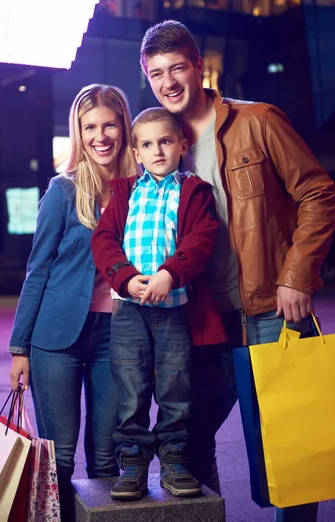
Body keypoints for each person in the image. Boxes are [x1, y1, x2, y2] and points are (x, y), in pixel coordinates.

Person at [140, 20, 335, 522]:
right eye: (157, 73)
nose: (169, 82)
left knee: (288, 445)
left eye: (177, 67)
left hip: (270, 309)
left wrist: (296, 274)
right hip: (204, 318)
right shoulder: (163, 143)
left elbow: (317, 191)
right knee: (188, 437)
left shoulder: (257, 120)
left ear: (199, 66)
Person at [8, 84, 137, 520]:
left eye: (109, 125)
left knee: (106, 457)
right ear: (78, 134)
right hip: (55, 338)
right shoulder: (62, 192)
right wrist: (19, 347)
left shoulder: (142, 191)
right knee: (60, 458)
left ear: (123, 126)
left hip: (116, 335)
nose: (100, 136)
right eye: (89, 128)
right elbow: (37, 270)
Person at [91, 107, 226, 500]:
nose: (157, 151)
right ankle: (132, 464)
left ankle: (174, 462)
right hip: (130, 311)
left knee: (176, 388)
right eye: (147, 145)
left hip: (175, 310)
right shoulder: (124, 191)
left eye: (165, 142)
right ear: (136, 152)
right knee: (131, 390)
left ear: (182, 145)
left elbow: (200, 240)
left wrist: (170, 273)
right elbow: (104, 240)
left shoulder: (193, 191)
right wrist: (126, 278)